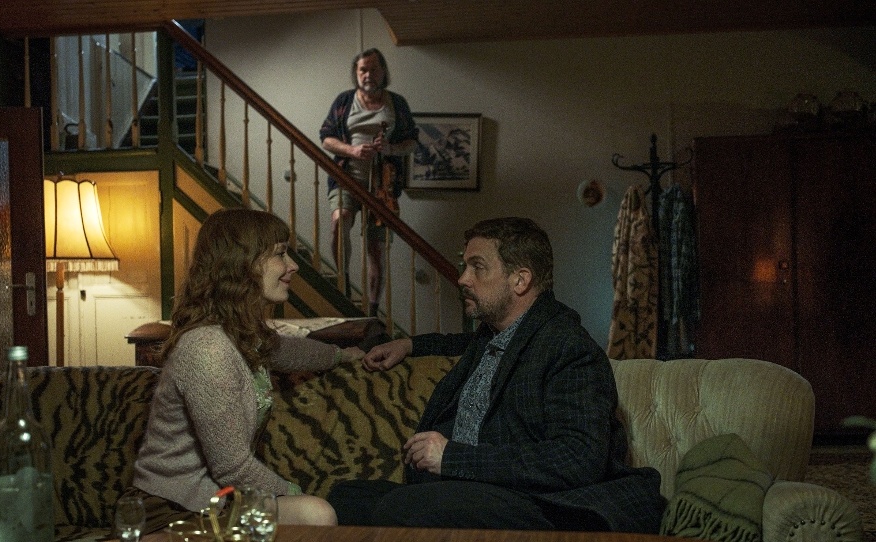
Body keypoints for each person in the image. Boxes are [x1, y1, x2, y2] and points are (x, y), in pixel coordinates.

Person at [327, 217, 664, 533]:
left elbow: (578, 458)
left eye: (478, 267)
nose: (463, 279)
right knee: (345, 499)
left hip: (541, 501)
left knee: (403, 509)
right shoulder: (495, 336)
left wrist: (452, 457)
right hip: (472, 491)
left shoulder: (569, 348)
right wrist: (409, 344)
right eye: (465, 266)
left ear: (520, 280)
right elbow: (458, 343)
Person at [124, 208, 363, 536]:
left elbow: (288, 351)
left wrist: (342, 356)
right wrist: (294, 493)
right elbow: (232, 467)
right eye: (280, 253)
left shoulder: (240, 335)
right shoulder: (208, 347)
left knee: (314, 513)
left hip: (214, 500)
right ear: (244, 264)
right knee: (314, 513)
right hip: (172, 508)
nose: (293, 265)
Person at [319, 48, 418, 317]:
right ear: (356, 73)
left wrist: (390, 149)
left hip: (383, 186)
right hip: (346, 178)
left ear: (383, 72)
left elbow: (412, 141)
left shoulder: (397, 103)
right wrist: (352, 150)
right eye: (363, 69)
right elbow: (326, 138)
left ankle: (372, 310)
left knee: (377, 250)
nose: (368, 74)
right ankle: (343, 280)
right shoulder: (344, 100)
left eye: (373, 69)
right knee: (339, 221)